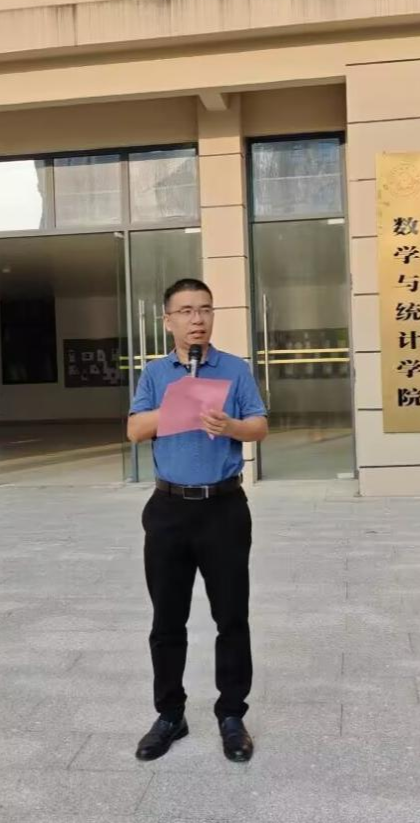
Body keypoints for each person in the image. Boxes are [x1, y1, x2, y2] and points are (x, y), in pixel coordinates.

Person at [126, 278, 268, 763]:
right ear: (168, 320)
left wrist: (231, 425)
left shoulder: (234, 369)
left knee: (231, 617)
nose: (197, 319)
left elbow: (259, 425)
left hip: (223, 509)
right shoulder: (155, 374)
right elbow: (134, 428)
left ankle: (232, 715)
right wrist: (180, 403)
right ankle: (170, 714)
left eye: (204, 309)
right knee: (167, 620)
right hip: (168, 510)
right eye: (186, 311)